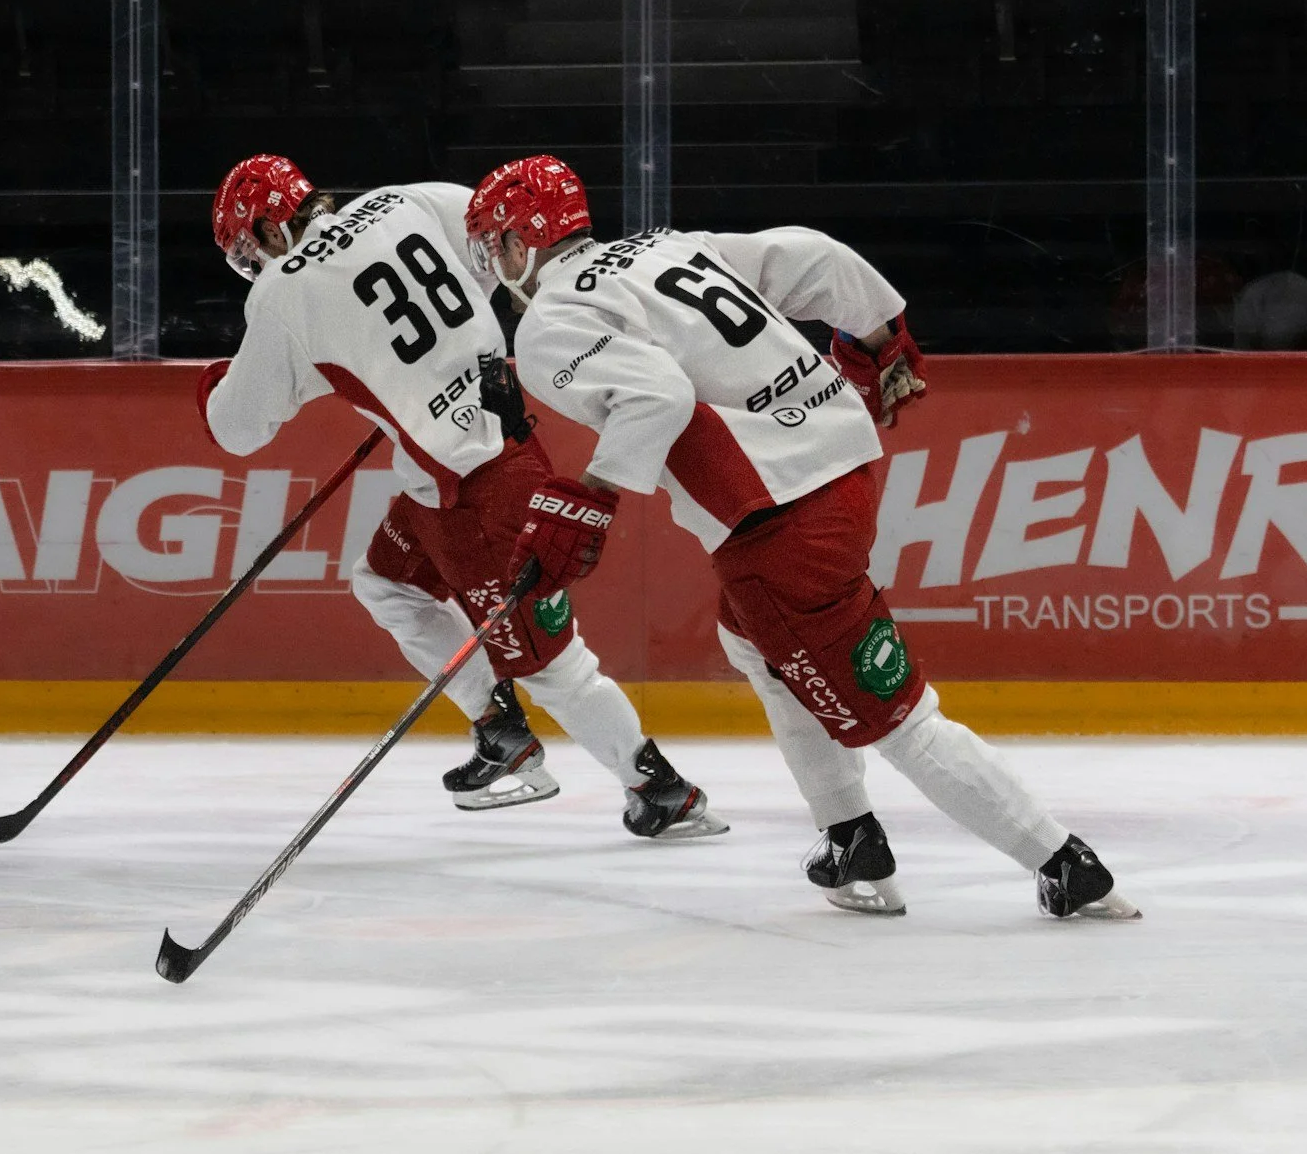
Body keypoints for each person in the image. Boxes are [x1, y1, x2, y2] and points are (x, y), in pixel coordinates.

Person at [463, 154, 1137, 919]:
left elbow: (658, 396)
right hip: (841, 468)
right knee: (751, 638)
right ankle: (849, 833)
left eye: (494, 244)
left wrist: (591, 497)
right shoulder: (663, 246)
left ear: (522, 243)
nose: (495, 264)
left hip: (778, 519)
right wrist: (883, 333)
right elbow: (815, 256)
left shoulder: (551, 321)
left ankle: (1066, 864)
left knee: (899, 719)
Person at [198, 153, 723, 839]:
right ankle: (500, 729)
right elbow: (487, 248)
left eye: (246, 249)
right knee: (385, 581)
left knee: (551, 663)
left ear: (270, 229)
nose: (252, 265)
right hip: (466, 463)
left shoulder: (279, 294)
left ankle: (658, 787)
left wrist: (213, 385)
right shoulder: (401, 198)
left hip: (474, 487)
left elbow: (238, 427)